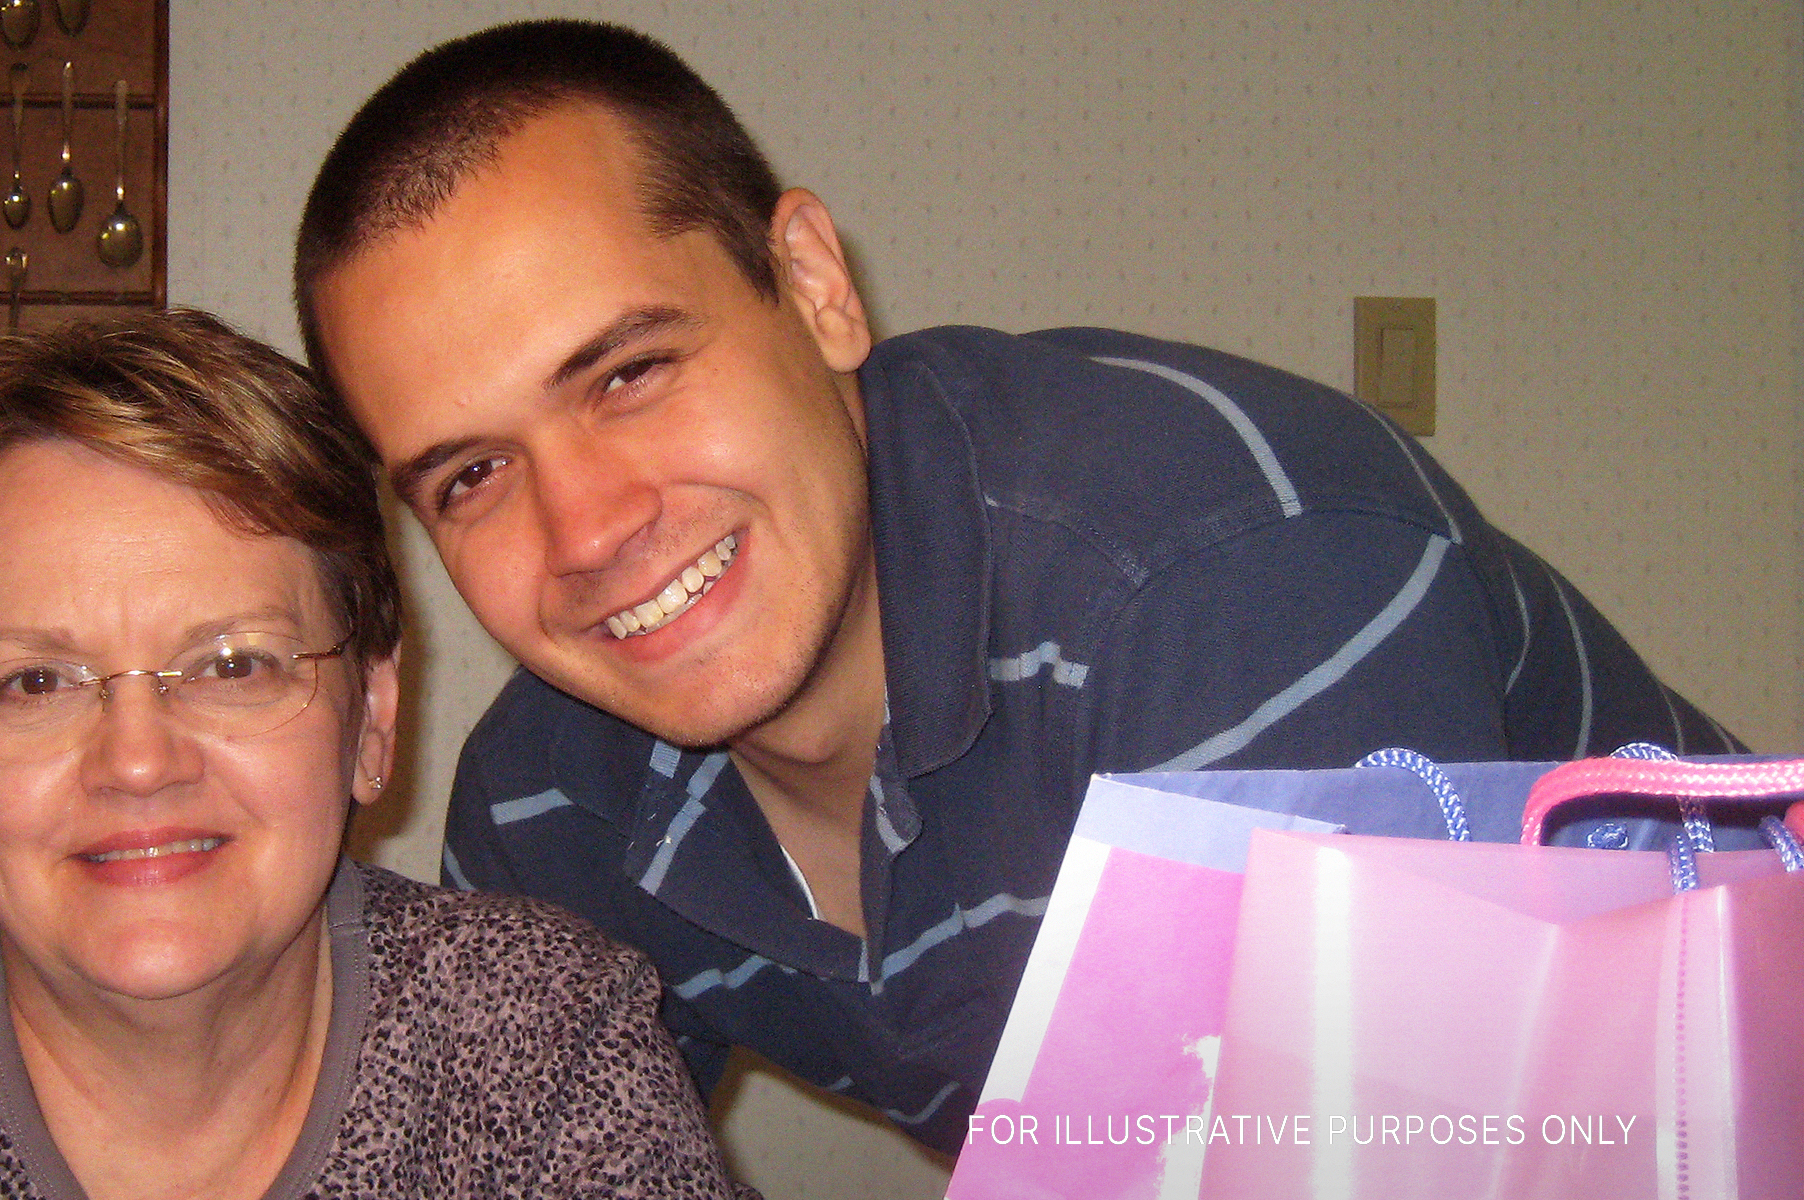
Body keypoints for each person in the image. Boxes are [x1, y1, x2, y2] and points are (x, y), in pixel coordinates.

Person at [291, 20, 1743, 1153]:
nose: (590, 528)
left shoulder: (1211, 575)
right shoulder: (553, 802)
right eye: (470, 475)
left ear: (813, 285)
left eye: (630, 371)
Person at [0, 310, 752, 1199]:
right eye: (36, 681)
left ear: (373, 718)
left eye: (232, 663)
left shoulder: (541, 1051)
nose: (137, 761)